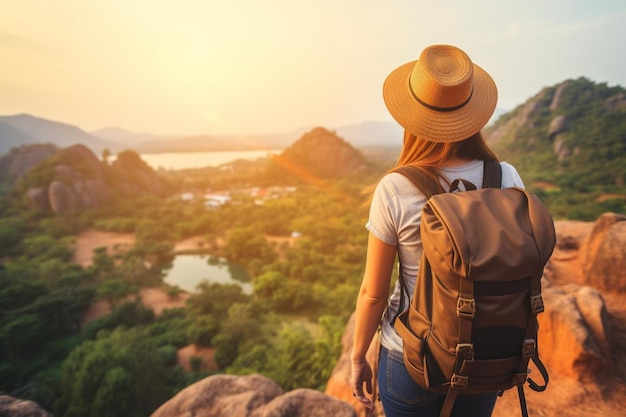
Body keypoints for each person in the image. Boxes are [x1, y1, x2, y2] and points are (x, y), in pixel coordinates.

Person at [350, 44, 525, 417]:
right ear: (473, 114)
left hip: (413, 358)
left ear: (411, 119)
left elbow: (373, 293)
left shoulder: (395, 188)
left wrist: (357, 356)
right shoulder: (506, 177)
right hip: (486, 354)